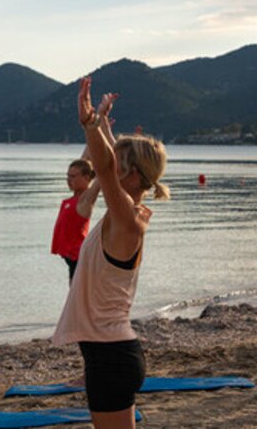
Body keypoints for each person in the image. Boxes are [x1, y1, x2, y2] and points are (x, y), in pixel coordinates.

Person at [50, 78, 169, 429]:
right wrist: (101, 124)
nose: (110, 167)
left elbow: (104, 167)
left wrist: (89, 123)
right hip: (108, 352)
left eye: (119, 164)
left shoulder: (127, 219)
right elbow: (112, 163)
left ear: (131, 175)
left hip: (111, 356)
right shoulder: (125, 211)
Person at [51, 159, 100, 281]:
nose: (68, 180)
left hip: (79, 258)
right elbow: (88, 152)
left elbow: (102, 175)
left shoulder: (85, 200)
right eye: (67, 176)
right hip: (71, 258)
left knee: (77, 297)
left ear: (87, 178)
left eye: (73, 176)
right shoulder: (72, 199)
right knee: (75, 295)